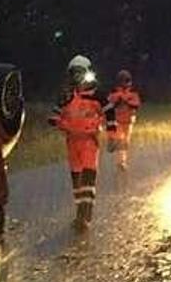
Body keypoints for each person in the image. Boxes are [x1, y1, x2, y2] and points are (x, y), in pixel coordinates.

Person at [48, 55, 117, 230]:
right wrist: (57, 120)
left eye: (80, 72)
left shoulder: (97, 95)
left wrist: (112, 135)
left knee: (87, 175)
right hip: (72, 141)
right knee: (76, 178)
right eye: (74, 73)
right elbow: (55, 113)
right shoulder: (66, 95)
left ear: (87, 72)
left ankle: (85, 213)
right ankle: (80, 211)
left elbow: (109, 112)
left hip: (89, 141)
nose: (77, 76)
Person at [107, 70, 142, 170]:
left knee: (125, 142)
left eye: (126, 81)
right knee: (120, 141)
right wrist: (117, 101)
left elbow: (136, 104)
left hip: (128, 121)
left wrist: (127, 102)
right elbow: (109, 103)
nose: (125, 83)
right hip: (117, 121)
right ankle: (121, 161)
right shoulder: (114, 93)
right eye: (123, 81)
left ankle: (122, 160)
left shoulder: (132, 93)